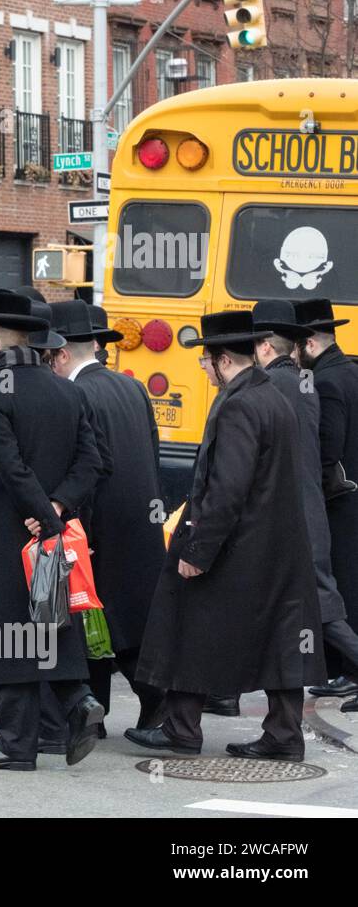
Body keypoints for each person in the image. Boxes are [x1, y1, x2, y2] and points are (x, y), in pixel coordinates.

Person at [128, 311, 324, 761]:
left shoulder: (238, 405)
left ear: (221, 359)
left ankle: (180, 729)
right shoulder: (272, 395)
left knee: (187, 620)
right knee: (281, 637)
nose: (200, 368)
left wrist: (198, 548)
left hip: (238, 543)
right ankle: (283, 734)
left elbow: (227, 488)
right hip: (278, 545)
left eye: (204, 360)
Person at [0, 291, 105, 771]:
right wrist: (57, 507)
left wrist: (41, 512)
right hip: (51, 527)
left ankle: (15, 743)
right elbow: (92, 462)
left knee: (8, 630)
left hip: (8, 528)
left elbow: (9, 466)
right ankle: (78, 702)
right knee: (49, 618)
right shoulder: (67, 388)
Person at [47, 300, 166, 731]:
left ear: (61, 354)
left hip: (101, 530)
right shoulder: (131, 387)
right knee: (123, 623)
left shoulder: (75, 393)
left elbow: (89, 466)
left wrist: (81, 531)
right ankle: (125, 710)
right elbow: (151, 455)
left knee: (94, 621)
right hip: (140, 522)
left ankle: (130, 709)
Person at [254, 300, 358, 699]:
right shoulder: (324, 378)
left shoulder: (303, 383)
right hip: (317, 504)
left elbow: (324, 449)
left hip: (312, 507)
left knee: (322, 600)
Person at [296, 299, 358, 689]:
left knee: (342, 583)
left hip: (341, 504)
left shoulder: (327, 381)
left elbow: (328, 450)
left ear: (307, 344)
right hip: (351, 501)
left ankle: (349, 671)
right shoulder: (348, 370)